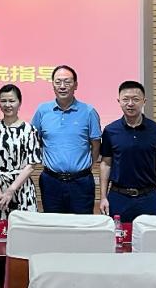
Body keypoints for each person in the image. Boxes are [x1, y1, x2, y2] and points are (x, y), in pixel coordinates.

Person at [30, 65, 102, 214]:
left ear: (76, 85)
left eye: (67, 82)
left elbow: (96, 145)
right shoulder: (42, 111)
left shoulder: (88, 111)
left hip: (81, 182)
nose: (62, 86)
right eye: (58, 82)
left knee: (82, 224)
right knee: (53, 224)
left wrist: (87, 166)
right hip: (51, 181)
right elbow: (34, 140)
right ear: (53, 85)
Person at [99, 81, 156, 223]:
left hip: (148, 196)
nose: (130, 104)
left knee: (150, 235)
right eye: (125, 99)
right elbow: (106, 164)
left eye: (135, 99)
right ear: (119, 101)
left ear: (144, 101)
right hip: (118, 197)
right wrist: (103, 197)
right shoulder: (110, 130)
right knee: (118, 235)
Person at [0, 84, 40, 221]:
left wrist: (11, 190)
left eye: (12, 101)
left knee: (24, 231)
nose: (7, 105)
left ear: (19, 103)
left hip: (22, 189)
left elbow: (31, 165)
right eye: (3, 101)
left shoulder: (29, 130)